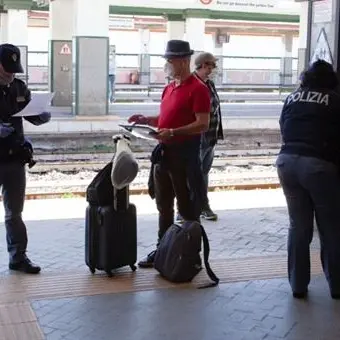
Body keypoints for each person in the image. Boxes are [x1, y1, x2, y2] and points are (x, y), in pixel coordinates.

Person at [128, 40, 211, 268]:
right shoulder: (170, 86)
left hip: (184, 157)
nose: (167, 64)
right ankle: (163, 249)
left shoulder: (199, 89)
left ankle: (190, 255)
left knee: (187, 209)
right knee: (164, 205)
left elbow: (202, 124)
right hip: (165, 154)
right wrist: (147, 120)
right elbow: (166, 118)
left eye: (170, 60)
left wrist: (173, 132)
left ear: (183, 61)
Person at [276, 59, 340, 299]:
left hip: (286, 162)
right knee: (331, 228)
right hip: (318, 166)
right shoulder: (334, 100)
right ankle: (337, 286)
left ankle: (298, 286)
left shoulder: (292, 97)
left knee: (298, 226)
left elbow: (284, 126)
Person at [0, 43, 51, 274]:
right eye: (6, 69)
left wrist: (42, 116)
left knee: (15, 213)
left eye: (13, 69)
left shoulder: (19, 87)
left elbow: (31, 115)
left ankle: (18, 257)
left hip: (14, 160)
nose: (10, 74)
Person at [176, 52, 223, 223]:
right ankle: (184, 210)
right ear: (203, 65)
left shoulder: (209, 84)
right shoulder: (192, 85)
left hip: (209, 138)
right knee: (191, 175)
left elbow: (215, 110)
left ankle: (202, 206)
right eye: (211, 66)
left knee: (202, 174)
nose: (213, 69)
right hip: (196, 138)